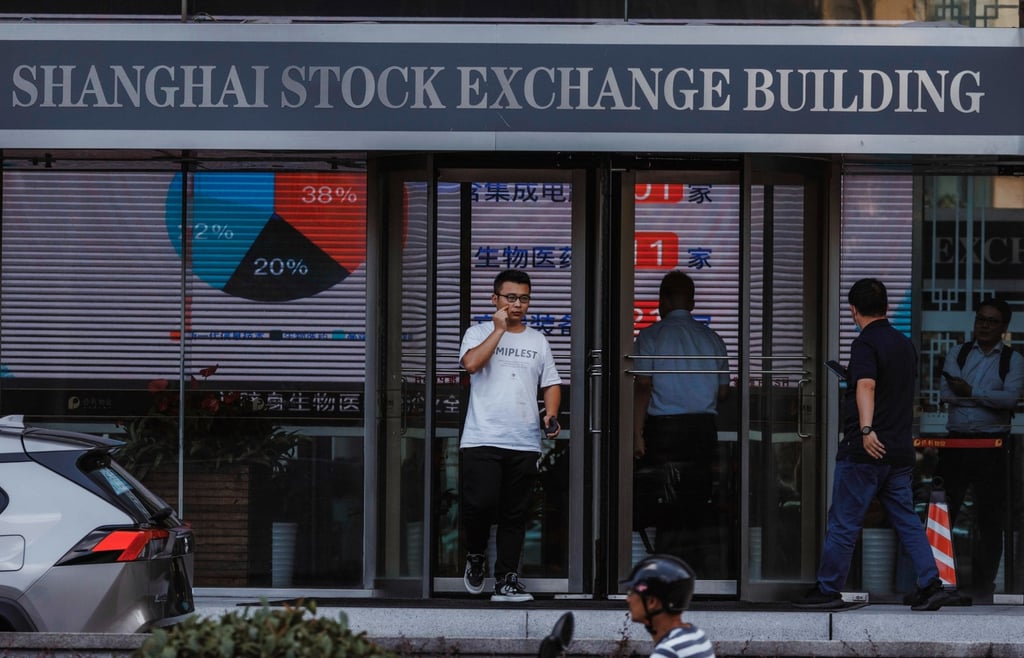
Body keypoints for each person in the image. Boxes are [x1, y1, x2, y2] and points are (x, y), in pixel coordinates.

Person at [794, 278, 957, 611]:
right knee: (906, 520)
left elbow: (866, 386)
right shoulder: (903, 344)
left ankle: (827, 589)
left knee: (843, 520)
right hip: (898, 450)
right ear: (884, 307)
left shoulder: (865, 344)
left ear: (853, 310)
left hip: (866, 450)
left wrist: (866, 429)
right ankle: (930, 584)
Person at [459, 268, 562, 602]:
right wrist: (499, 331)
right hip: (482, 437)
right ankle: (475, 555)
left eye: (524, 298)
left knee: (514, 514)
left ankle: (506, 579)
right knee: (480, 504)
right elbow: (471, 365)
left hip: (523, 440)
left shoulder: (538, 340)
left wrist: (551, 413)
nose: (518, 304)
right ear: (496, 300)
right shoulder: (477, 333)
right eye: (511, 298)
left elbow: (551, 383)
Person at [632, 271, 729, 570]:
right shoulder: (712, 338)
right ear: (693, 302)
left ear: (662, 301)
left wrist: (636, 433)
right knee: (697, 503)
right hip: (702, 430)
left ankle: (666, 571)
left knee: (668, 503)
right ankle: (696, 571)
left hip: (665, 431)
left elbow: (644, 387)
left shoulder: (650, 336)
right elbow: (724, 390)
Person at [938, 297, 1024, 600]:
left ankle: (982, 587)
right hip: (957, 441)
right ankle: (940, 583)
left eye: (991, 321)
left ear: (1004, 326)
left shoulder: (1012, 360)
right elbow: (947, 395)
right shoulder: (958, 352)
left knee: (990, 519)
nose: (984, 325)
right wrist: (989, 397)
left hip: (993, 445)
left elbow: (1011, 400)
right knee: (945, 514)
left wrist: (972, 392)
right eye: (981, 319)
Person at [622, 554, 716, 658]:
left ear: (652, 602)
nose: (628, 599)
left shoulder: (668, 652)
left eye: (631, 592)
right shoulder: (697, 636)